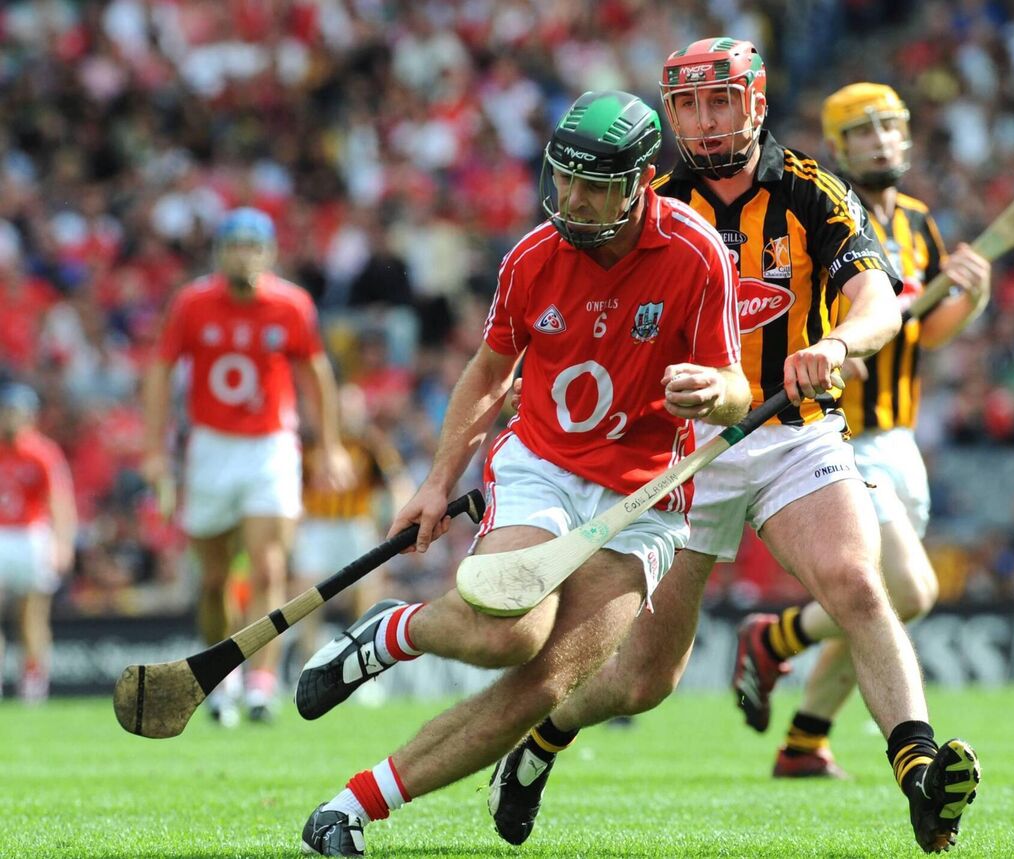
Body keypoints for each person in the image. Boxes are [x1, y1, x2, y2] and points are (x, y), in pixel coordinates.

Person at [486, 40, 981, 855]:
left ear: (755, 104)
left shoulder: (814, 192)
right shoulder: (649, 201)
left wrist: (841, 342)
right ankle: (540, 741)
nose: (705, 120)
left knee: (858, 584)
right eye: (688, 105)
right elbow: (581, 312)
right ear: (670, 114)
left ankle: (919, 771)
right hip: (683, 449)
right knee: (646, 679)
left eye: (721, 101)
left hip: (793, 428)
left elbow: (880, 302)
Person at [295, 89, 750, 857]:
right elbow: (485, 376)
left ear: (640, 180)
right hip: (543, 463)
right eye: (563, 178)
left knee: (548, 683)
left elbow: (735, 384)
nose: (570, 198)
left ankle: (347, 810)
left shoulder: (696, 253)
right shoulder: (533, 258)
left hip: (643, 495)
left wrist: (716, 391)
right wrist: (438, 481)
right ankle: (394, 631)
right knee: (509, 632)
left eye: (593, 184)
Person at [737, 82, 992, 781]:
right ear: (840, 144)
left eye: (891, 128)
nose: (881, 142)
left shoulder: (917, 221)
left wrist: (972, 296)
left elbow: (925, 332)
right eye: (864, 132)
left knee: (872, 605)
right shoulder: (829, 213)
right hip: (843, 433)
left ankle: (803, 742)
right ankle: (778, 635)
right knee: (906, 591)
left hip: (900, 436)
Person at [141, 207, 353, 726]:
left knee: (269, 566)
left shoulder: (291, 304)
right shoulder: (192, 303)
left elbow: (316, 372)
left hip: (269, 446)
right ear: (219, 253)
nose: (244, 255)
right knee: (214, 579)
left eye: (252, 245)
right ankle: (224, 677)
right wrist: (153, 449)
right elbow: (162, 371)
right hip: (211, 446)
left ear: (270, 252)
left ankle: (260, 682)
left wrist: (329, 444)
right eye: (234, 245)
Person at [290, 382, 413, 701]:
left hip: (355, 526)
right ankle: (305, 671)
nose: (348, 415)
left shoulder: (370, 442)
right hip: (317, 526)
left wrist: (398, 514)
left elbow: (396, 479)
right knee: (306, 598)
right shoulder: (311, 440)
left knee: (366, 598)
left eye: (352, 409)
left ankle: (363, 677)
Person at [0, 383, 76, 704]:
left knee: (33, 615)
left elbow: (60, 501)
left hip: (31, 536)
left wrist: (63, 544)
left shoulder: (42, 452)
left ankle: (33, 684)